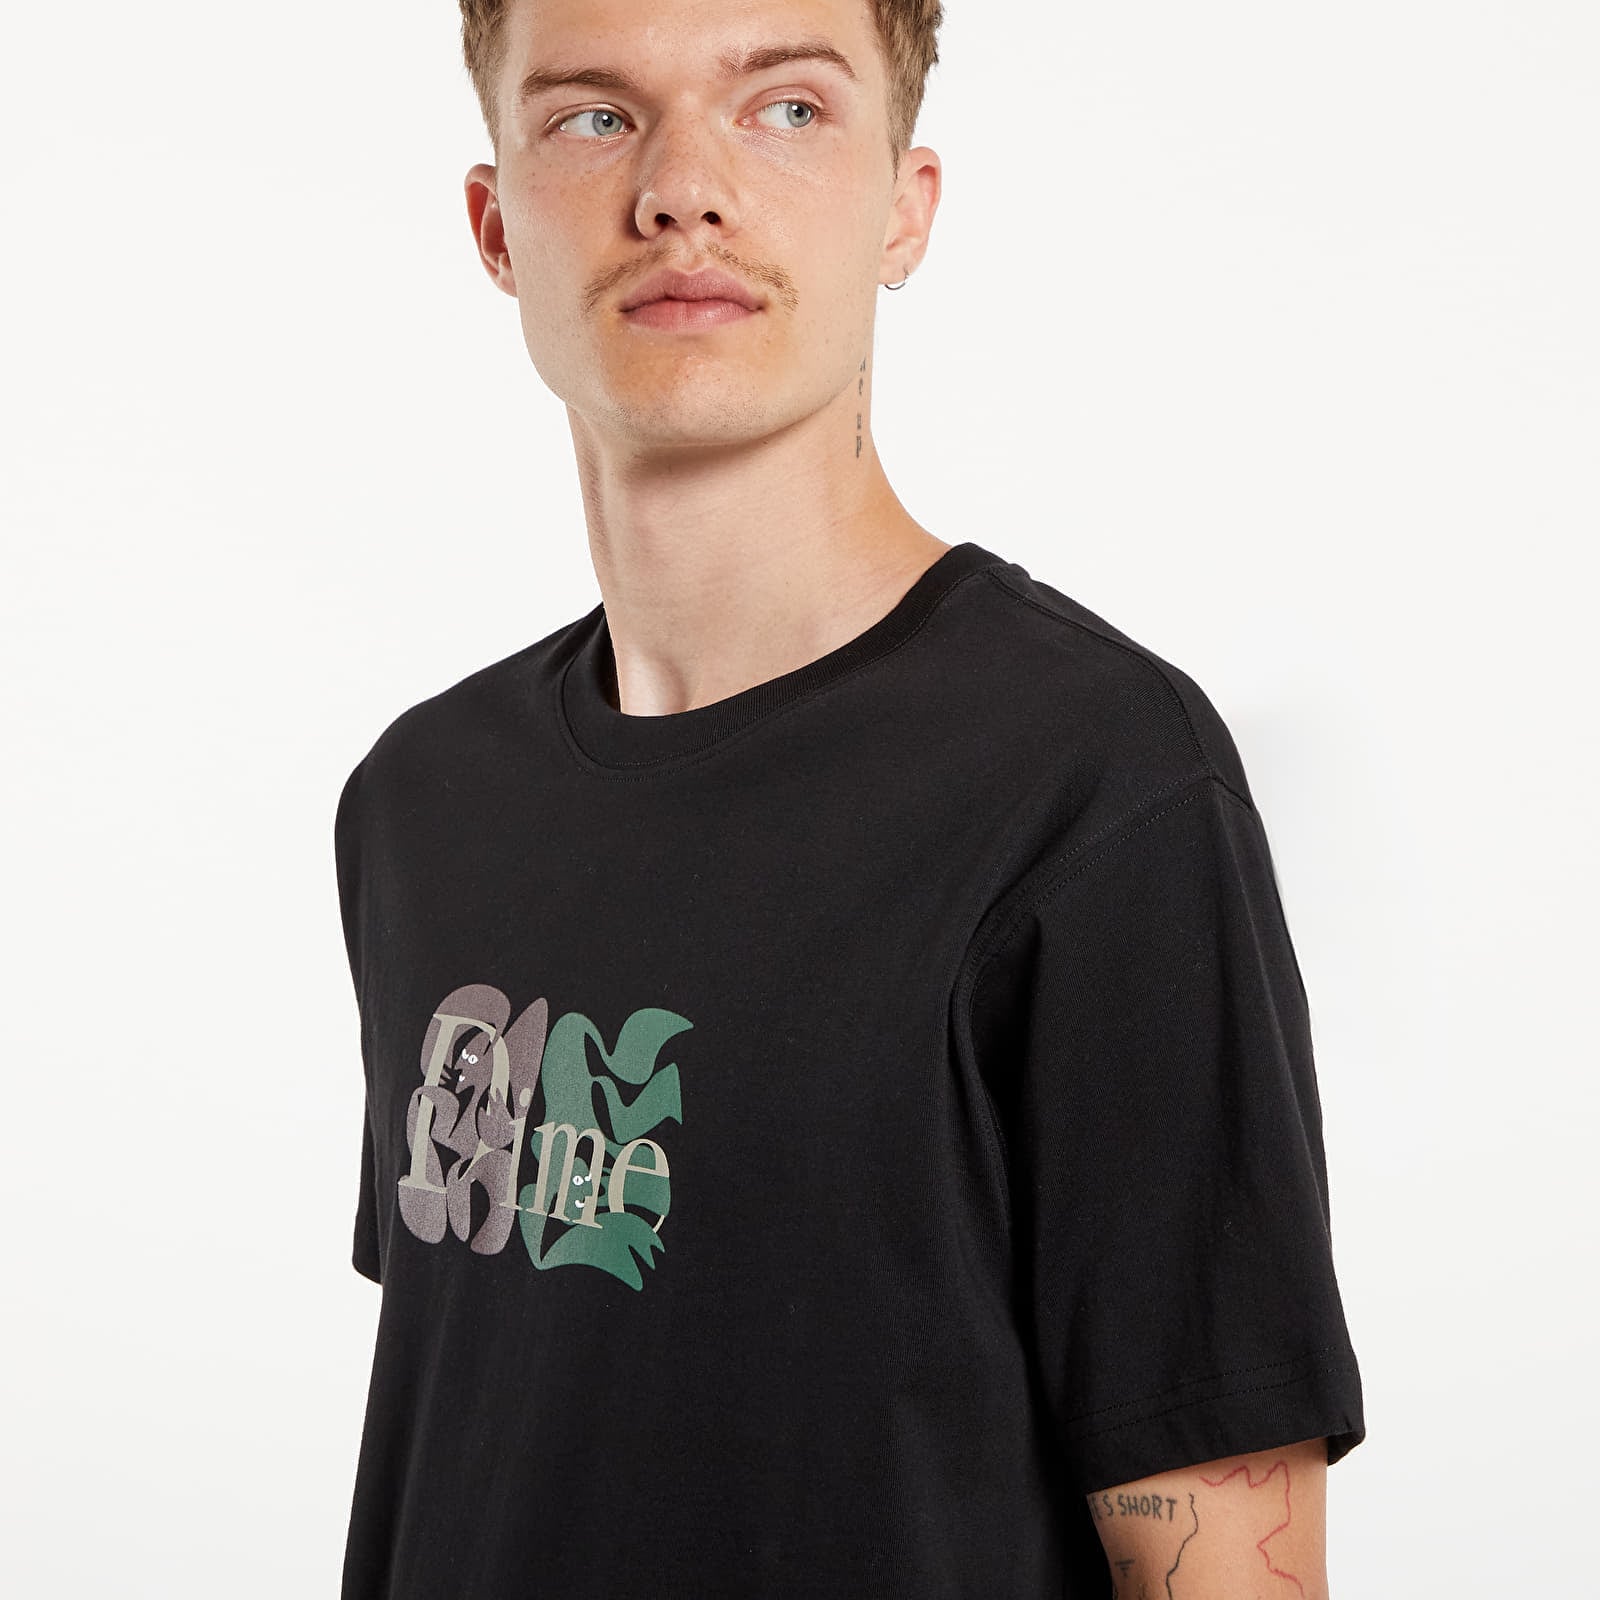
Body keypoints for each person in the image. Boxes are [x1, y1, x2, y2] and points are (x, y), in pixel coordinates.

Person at [331, 0, 1367, 1593]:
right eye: (595, 117)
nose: (683, 190)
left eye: (787, 109)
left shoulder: (1098, 792)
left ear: (905, 207)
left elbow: (1226, 1557)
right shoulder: (421, 803)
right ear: (494, 226)